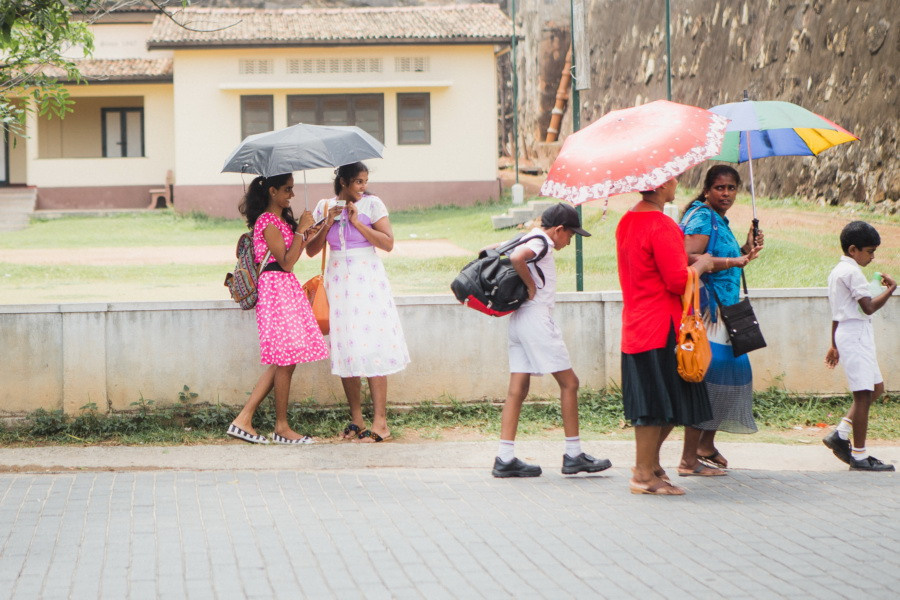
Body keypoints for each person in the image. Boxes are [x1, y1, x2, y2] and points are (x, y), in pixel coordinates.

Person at [616, 177, 722, 496]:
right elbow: (677, 281)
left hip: (636, 322)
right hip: (660, 326)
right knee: (654, 405)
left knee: (663, 402)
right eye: (673, 178)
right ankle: (643, 475)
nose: (677, 182)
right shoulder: (661, 225)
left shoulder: (627, 221)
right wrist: (702, 265)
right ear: (661, 185)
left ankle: (650, 467)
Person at [490, 203, 612, 477]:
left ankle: (505, 458)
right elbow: (518, 258)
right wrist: (532, 286)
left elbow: (494, 249)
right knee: (570, 383)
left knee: (517, 390)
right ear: (558, 230)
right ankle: (573, 455)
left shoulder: (528, 236)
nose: (570, 241)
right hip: (535, 319)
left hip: (518, 319)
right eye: (570, 235)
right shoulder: (542, 242)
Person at [306, 162, 410, 443]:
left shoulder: (372, 205)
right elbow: (312, 251)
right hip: (338, 280)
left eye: (365, 181)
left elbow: (387, 244)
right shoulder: (324, 206)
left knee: (374, 343)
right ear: (343, 182)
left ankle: (381, 421)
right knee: (346, 346)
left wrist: (355, 222)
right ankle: (356, 419)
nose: (363, 187)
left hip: (367, 278)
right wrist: (328, 221)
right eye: (358, 182)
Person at [227, 173, 330, 445]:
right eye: (287, 190)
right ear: (272, 191)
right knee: (285, 359)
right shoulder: (267, 221)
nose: (291, 195)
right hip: (276, 288)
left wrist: (317, 227)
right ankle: (280, 427)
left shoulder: (282, 221)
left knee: (285, 359)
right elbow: (285, 262)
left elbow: (297, 255)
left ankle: (244, 420)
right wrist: (299, 231)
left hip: (286, 288)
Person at [680, 165, 763, 469]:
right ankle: (689, 459)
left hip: (726, 312)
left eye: (731, 188)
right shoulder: (703, 217)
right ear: (707, 190)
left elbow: (727, 259)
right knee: (707, 381)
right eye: (719, 188)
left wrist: (745, 248)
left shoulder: (718, 220)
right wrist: (733, 259)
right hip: (708, 313)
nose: (726, 193)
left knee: (733, 376)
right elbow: (686, 258)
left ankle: (705, 445)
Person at [822, 221, 896, 471]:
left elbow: (837, 312)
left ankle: (841, 433)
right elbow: (868, 307)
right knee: (863, 394)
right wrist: (892, 290)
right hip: (854, 334)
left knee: (875, 388)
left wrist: (834, 343)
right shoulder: (852, 273)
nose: (872, 257)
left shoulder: (838, 271)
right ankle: (860, 455)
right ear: (853, 249)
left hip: (851, 332)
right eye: (870, 251)